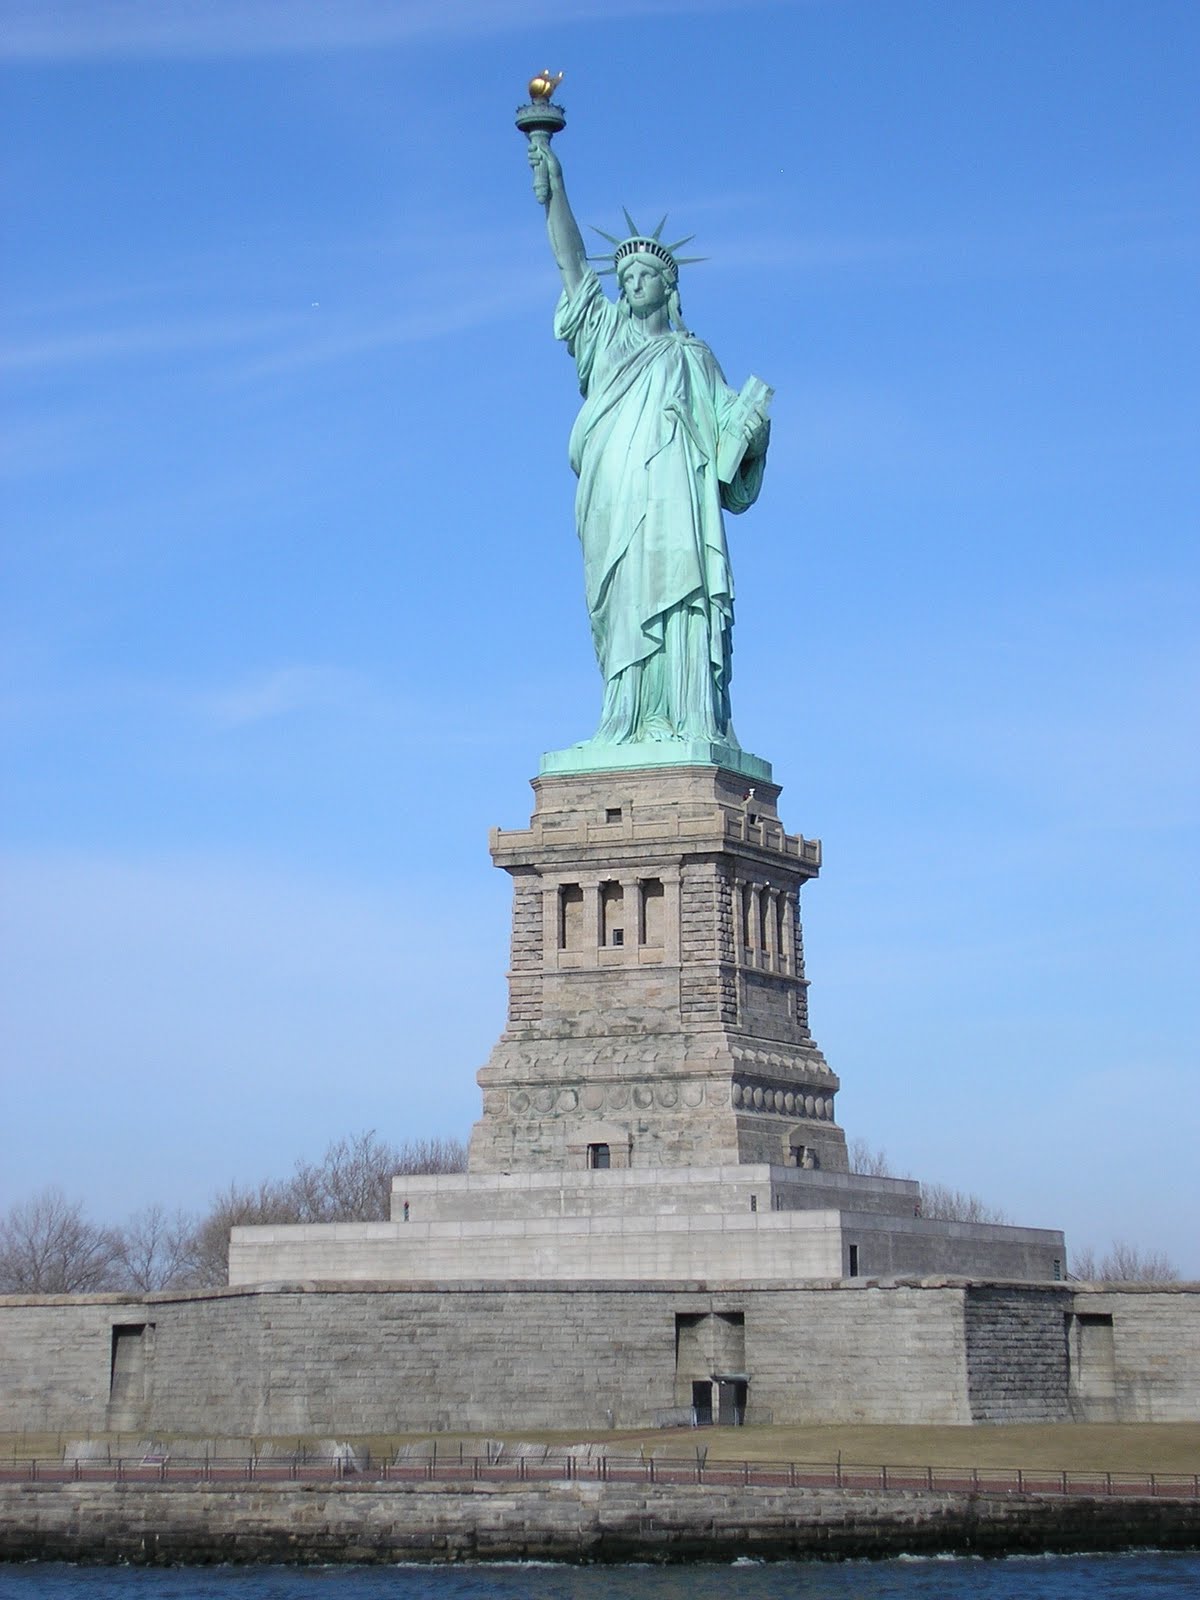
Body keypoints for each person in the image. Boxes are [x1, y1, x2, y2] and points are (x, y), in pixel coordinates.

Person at [528, 138, 770, 750]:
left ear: (668, 287)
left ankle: (686, 718)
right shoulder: (604, 336)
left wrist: (753, 428)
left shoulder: (693, 356)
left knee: (679, 595)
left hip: (676, 504)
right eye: (626, 276)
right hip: (614, 492)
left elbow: (727, 456)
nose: (632, 284)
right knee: (621, 598)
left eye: (645, 277)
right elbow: (572, 264)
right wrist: (553, 187)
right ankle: (626, 718)